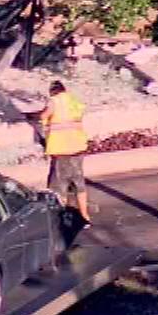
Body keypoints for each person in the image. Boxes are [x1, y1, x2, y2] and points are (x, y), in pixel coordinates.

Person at [39, 80, 91, 224]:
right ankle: (85, 216)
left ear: (52, 91)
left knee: (59, 185)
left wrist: (41, 119)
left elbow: (44, 116)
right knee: (79, 183)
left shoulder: (54, 101)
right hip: (78, 147)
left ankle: (61, 219)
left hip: (62, 149)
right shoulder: (74, 101)